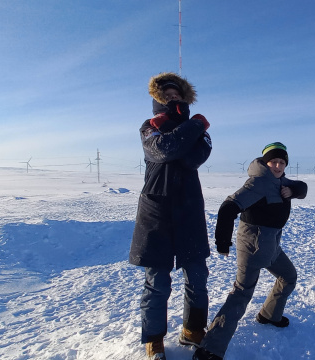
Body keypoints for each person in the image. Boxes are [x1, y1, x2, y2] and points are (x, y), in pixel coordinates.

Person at [193, 142, 307, 360]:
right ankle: (210, 348)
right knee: (241, 294)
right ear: (266, 162)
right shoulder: (258, 182)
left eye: (282, 162)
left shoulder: (280, 180)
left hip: (272, 245)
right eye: (274, 161)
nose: (278, 165)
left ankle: (269, 315)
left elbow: (303, 187)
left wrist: (292, 191)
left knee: (288, 276)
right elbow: (228, 207)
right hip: (253, 246)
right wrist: (222, 242)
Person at [129, 72, 213, 360]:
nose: (172, 98)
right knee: (157, 281)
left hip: (189, 210)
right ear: (157, 99)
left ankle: (193, 330)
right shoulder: (147, 127)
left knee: (197, 276)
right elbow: (163, 150)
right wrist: (195, 125)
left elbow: (191, 158)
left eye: (177, 95)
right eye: (166, 95)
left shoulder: (199, 132)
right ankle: (154, 341)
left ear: (185, 99)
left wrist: (189, 128)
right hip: (157, 212)